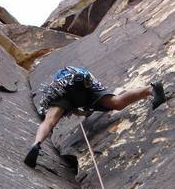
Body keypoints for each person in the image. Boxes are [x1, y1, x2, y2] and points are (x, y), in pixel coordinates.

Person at [24, 66, 166, 168]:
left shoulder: (60, 99)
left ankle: (36, 144)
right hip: (84, 82)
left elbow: (73, 110)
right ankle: (150, 89)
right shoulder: (81, 99)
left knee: (49, 122)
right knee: (116, 102)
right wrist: (83, 111)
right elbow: (79, 109)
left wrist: (80, 111)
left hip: (63, 87)